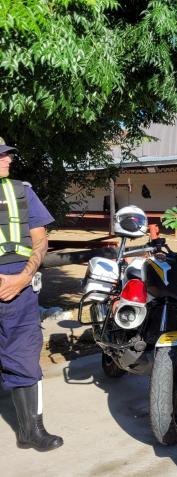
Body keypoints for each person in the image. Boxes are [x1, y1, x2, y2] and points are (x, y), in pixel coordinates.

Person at [0, 137, 62, 452]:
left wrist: (23, 277)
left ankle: (31, 431)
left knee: (24, 358)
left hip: (19, 293)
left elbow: (40, 240)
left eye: (7, 155)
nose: (7, 161)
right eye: (0, 157)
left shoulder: (22, 191)